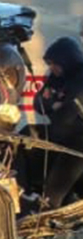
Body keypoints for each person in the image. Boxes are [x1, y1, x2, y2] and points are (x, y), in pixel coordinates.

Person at [39, 37, 83, 209]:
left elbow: (70, 110)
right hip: (63, 138)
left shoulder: (80, 78)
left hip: (77, 143)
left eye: (54, 63)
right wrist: (54, 103)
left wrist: (56, 102)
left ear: (66, 60)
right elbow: (39, 102)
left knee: (54, 191)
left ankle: (46, 224)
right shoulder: (58, 77)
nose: (51, 68)